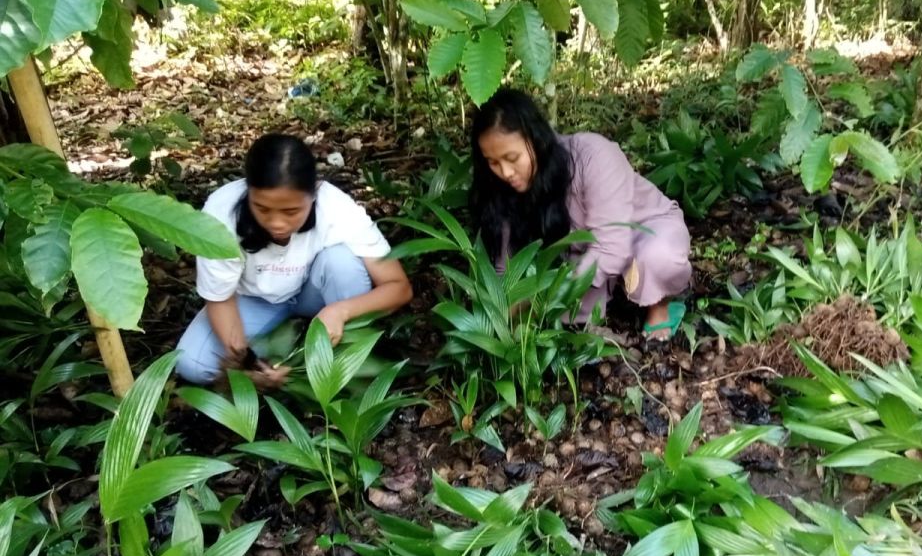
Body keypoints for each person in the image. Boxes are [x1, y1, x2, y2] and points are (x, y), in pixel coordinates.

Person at [176, 133, 412, 384]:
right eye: (262, 209)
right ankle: (294, 350)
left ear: (314, 193)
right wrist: (246, 360)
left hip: (315, 291)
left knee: (341, 263)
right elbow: (220, 298)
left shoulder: (335, 206)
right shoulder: (222, 212)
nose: (277, 223)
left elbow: (398, 287)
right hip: (254, 301)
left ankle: (339, 352)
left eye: (291, 211)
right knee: (192, 364)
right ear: (248, 191)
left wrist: (340, 310)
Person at [468, 88, 691, 339]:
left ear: (536, 138)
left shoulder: (592, 155)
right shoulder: (504, 184)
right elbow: (505, 262)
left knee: (658, 258)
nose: (506, 172)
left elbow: (611, 245)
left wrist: (544, 296)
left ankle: (659, 307)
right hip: (585, 251)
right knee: (557, 315)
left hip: (642, 231)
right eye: (493, 162)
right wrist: (501, 307)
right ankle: (605, 295)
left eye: (512, 157)